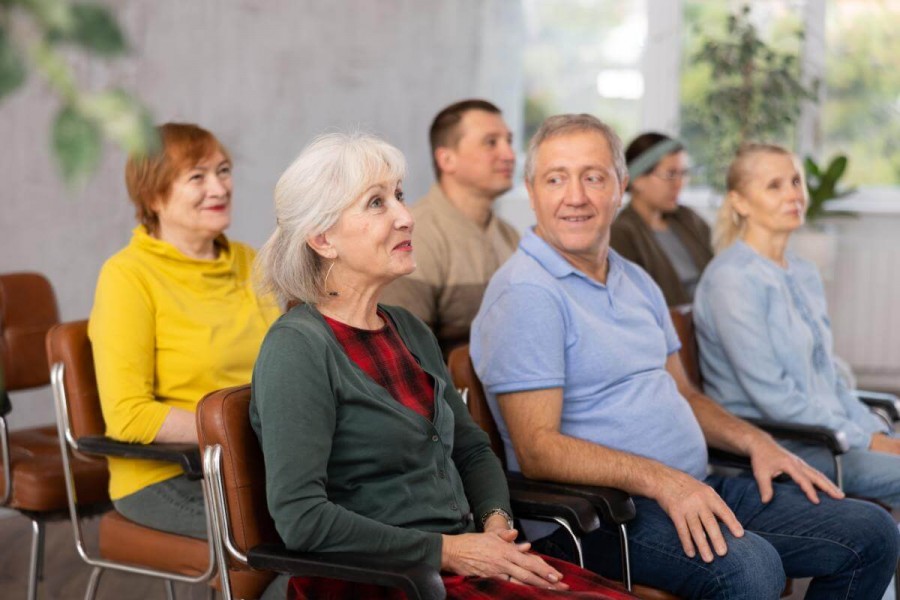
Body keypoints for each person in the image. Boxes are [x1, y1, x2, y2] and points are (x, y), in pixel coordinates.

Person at [471, 114, 899, 599]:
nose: (576, 196)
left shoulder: (633, 277)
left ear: (621, 186)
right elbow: (538, 448)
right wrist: (663, 482)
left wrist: (756, 442)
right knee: (751, 569)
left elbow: (685, 393)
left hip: (692, 486)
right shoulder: (526, 294)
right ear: (531, 192)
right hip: (601, 518)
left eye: (593, 177)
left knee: (870, 532)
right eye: (556, 179)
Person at [250, 132, 636, 600]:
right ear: (324, 239)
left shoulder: (407, 329)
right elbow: (302, 519)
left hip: (459, 563)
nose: (405, 217)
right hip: (376, 578)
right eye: (376, 204)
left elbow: (472, 451)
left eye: (398, 196)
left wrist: (495, 524)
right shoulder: (298, 348)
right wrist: (451, 551)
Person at [89, 123, 280, 538]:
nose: (219, 187)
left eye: (224, 170)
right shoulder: (127, 276)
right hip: (169, 476)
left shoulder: (252, 262)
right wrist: (242, 430)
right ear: (154, 195)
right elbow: (129, 417)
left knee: (356, 526)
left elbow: (286, 370)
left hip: (261, 464)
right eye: (198, 176)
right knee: (294, 545)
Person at [693, 142, 900, 508]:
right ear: (740, 202)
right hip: (780, 446)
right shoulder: (731, 280)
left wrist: (873, 430)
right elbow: (775, 398)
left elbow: (827, 377)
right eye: (774, 185)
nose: (793, 194)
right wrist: (868, 441)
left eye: (795, 181)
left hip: (827, 436)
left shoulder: (802, 271)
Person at [381, 99, 519, 356]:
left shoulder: (510, 236)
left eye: (509, 141)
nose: (509, 155)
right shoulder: (412, 237)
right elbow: (405, 355)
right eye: (491, 142)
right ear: (447, 159)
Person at [610, 132, 712, 305]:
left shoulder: (688, 218)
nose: (679, 184)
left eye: (683, 174)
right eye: (671, 174)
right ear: (638, 179)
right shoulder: (621, 233)